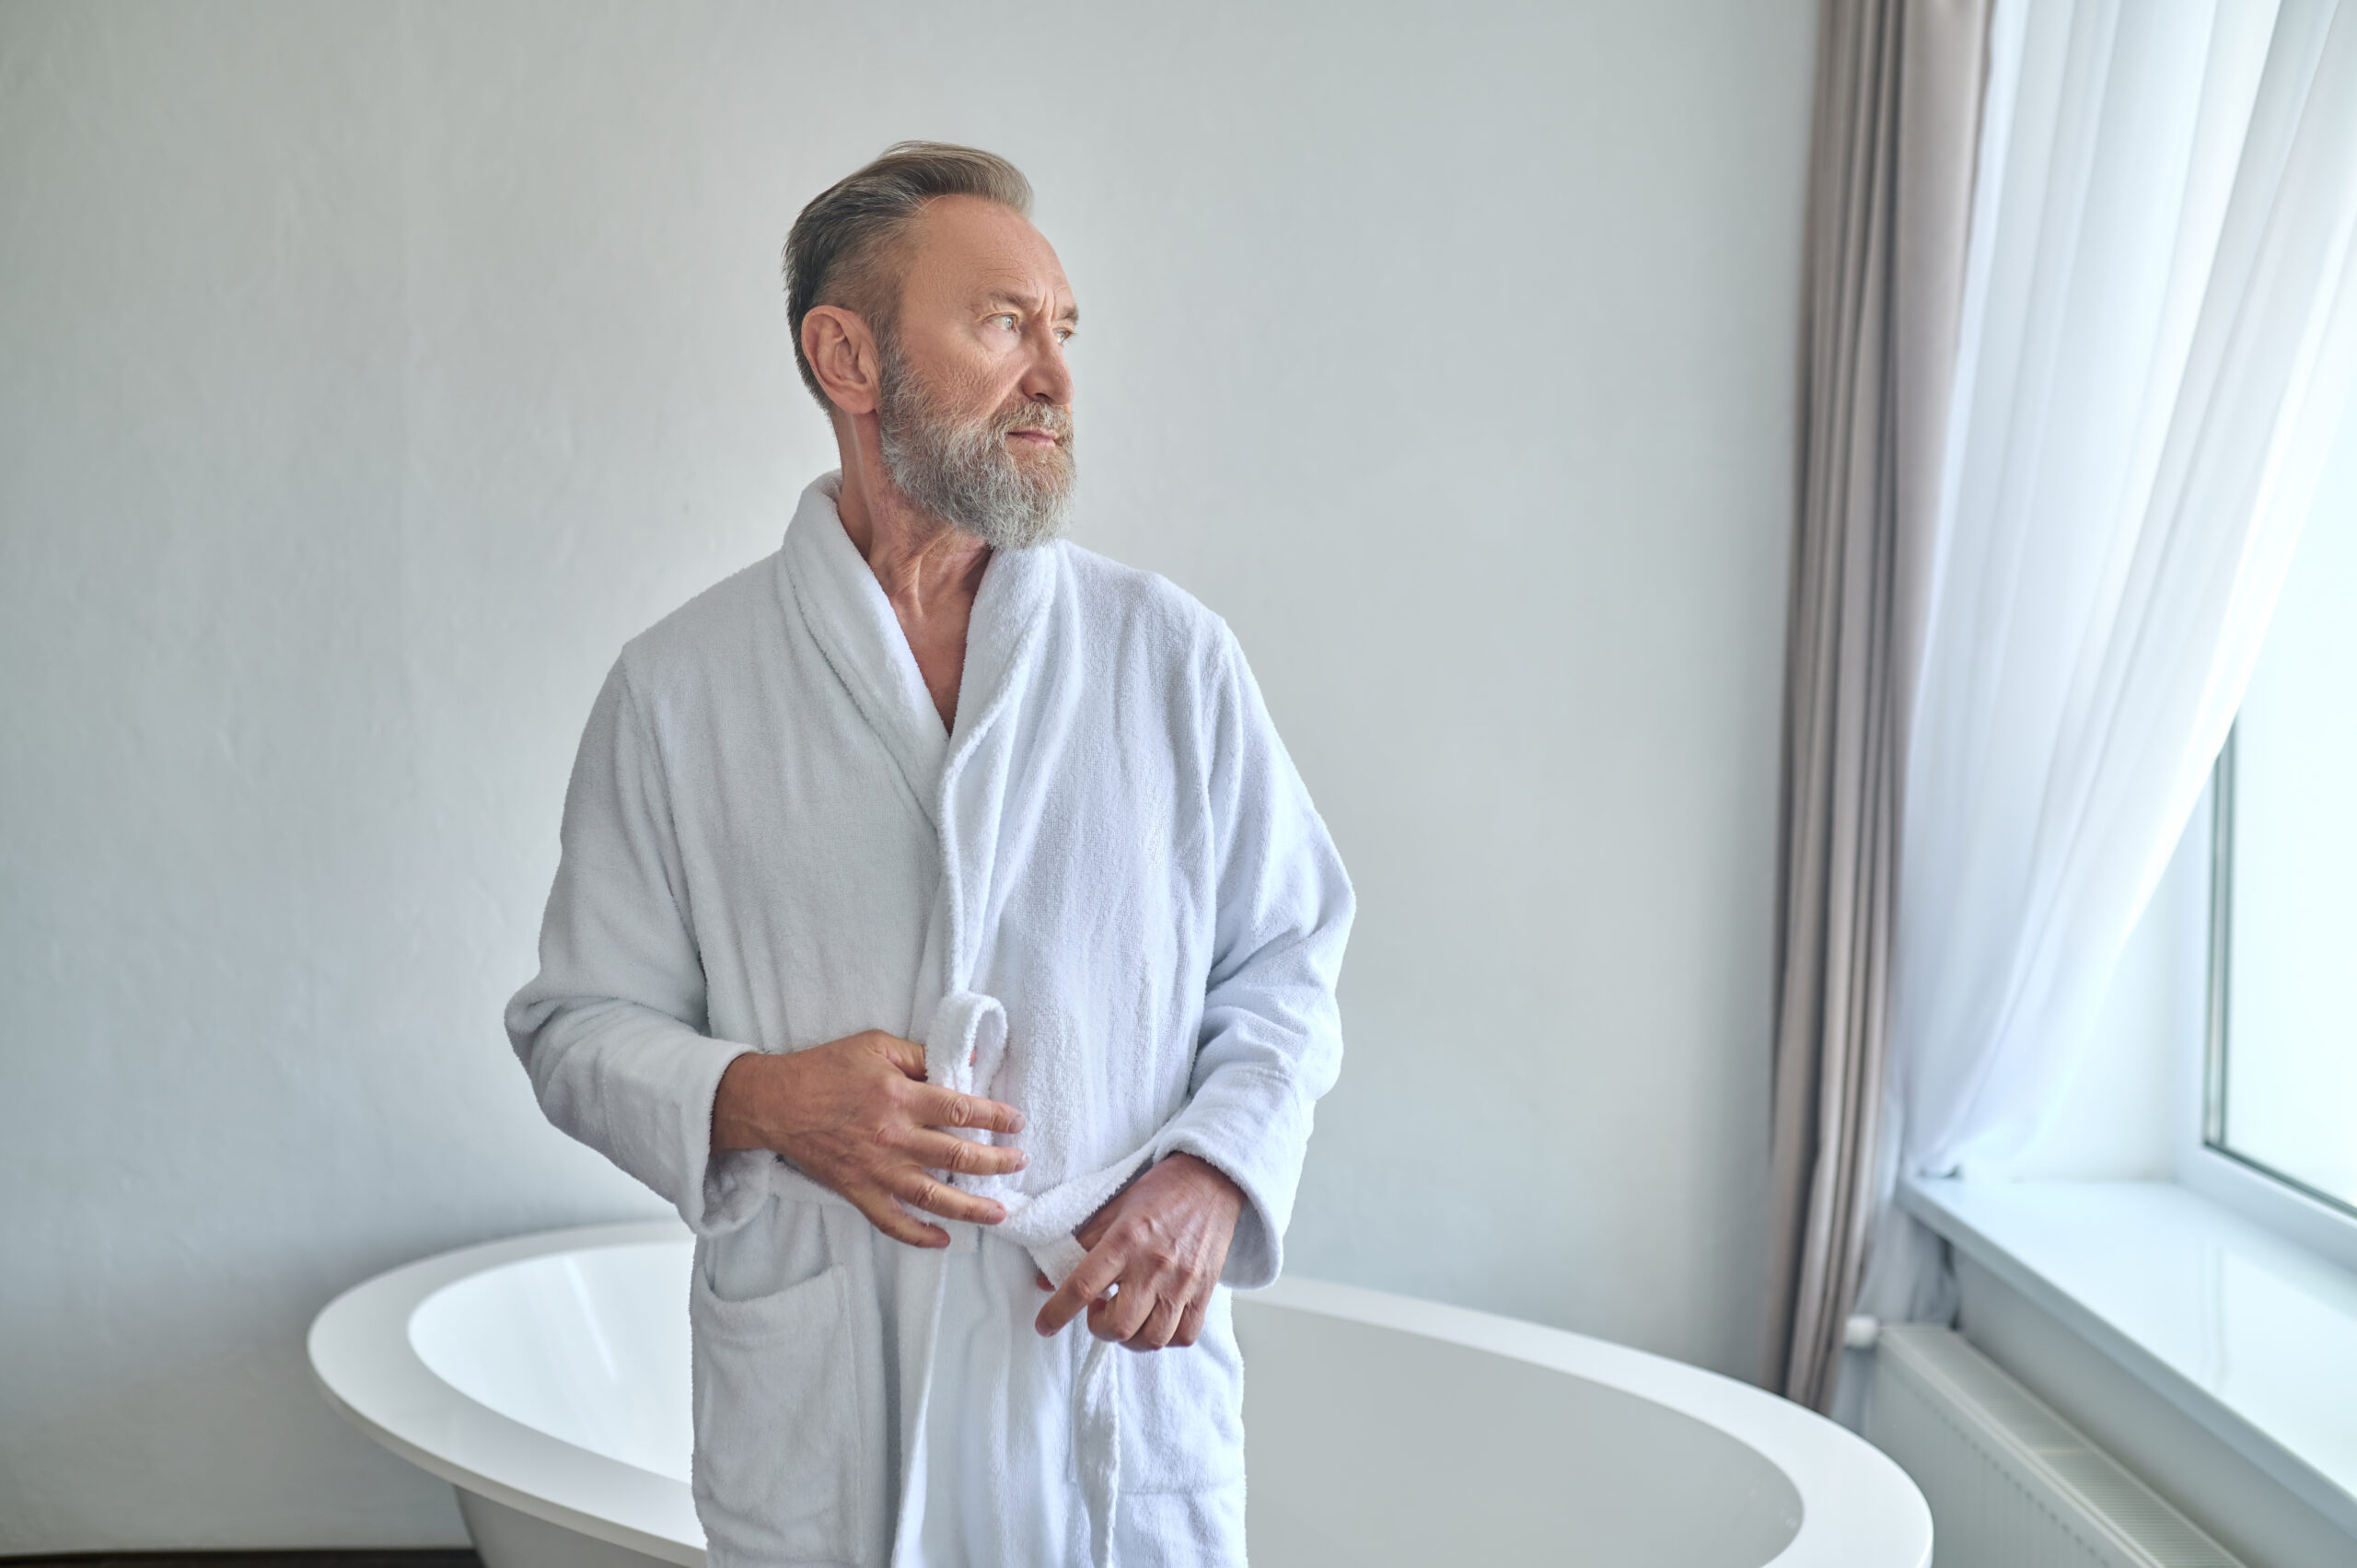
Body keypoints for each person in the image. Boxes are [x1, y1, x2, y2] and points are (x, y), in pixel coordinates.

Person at [505, 141, 1353, 1568]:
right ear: (849, 356)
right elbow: (573, 1026)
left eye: (1064, 330)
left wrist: (1216, 1174)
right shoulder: (682, 690)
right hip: (831, 1397)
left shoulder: (1170, 660)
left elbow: (1288, 964)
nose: (1058, 379)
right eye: (1003, 323)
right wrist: (764, 1098)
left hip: (1099, 1383)